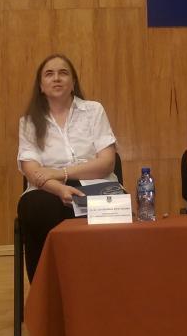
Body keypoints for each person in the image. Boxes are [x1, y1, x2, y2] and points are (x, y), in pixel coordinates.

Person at [17, 54, 118, 281]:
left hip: (95, 184)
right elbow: (31, 169)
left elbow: (107, 162)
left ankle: (102, 287)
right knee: (35, 207)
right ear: (41, 86)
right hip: (48, 190)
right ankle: (49, 290)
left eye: (63, 73)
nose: (56, 78)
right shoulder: (29, 122)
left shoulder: (94, 110)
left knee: (112, 207)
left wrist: (61, 173)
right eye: (49, 74)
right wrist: (60, 188)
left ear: (73, 83)